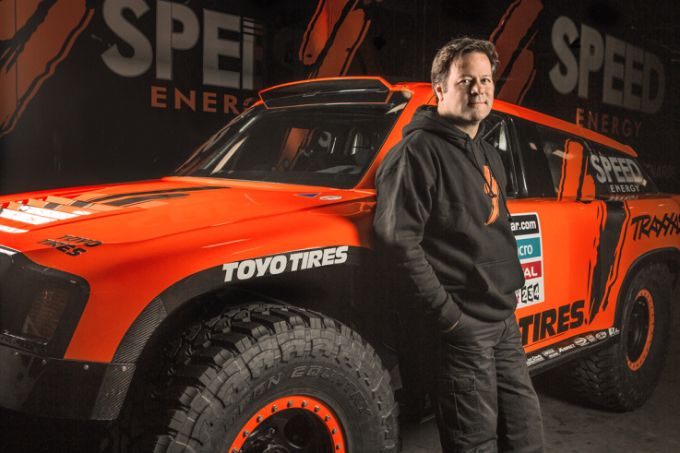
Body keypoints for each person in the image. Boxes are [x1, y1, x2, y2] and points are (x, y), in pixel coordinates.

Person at [373, 37, 544, 452]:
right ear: (440, 89)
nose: (479, 89)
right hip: (461, 328)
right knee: (474, 442)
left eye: (486, 80)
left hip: (503, 321)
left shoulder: (488, 153)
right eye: (466, 80)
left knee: (524, 432)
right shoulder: (416, 153)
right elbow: (398, 244)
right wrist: (450, 318)